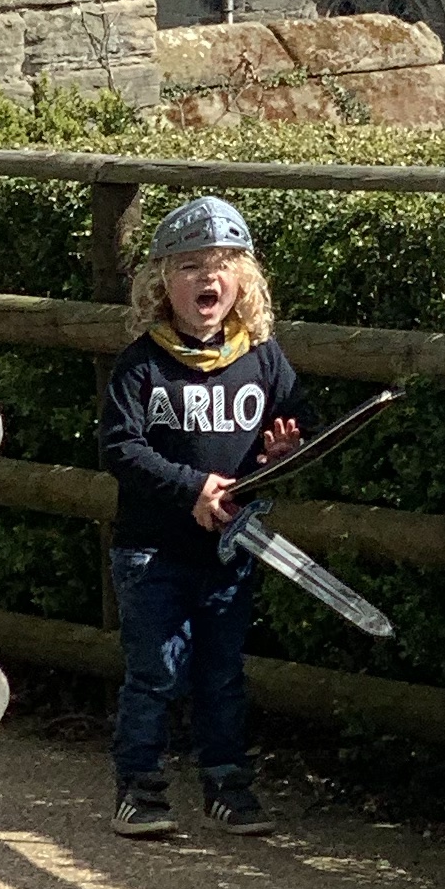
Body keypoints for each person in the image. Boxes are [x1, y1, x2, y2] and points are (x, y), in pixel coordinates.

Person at [98, 193, 303, 837]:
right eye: (188, 266)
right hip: (151, 551)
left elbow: (300, 422)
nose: (205, 278)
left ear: (243, 278)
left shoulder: (262, 358)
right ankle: (140, 788)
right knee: (155, 670)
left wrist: (282, 451)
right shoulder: (142, 366)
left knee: (221, 672)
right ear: (162, 282)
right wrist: (191, 486)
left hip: (230, 551)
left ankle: (227, 785)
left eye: (220, 263)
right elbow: (121, 447)